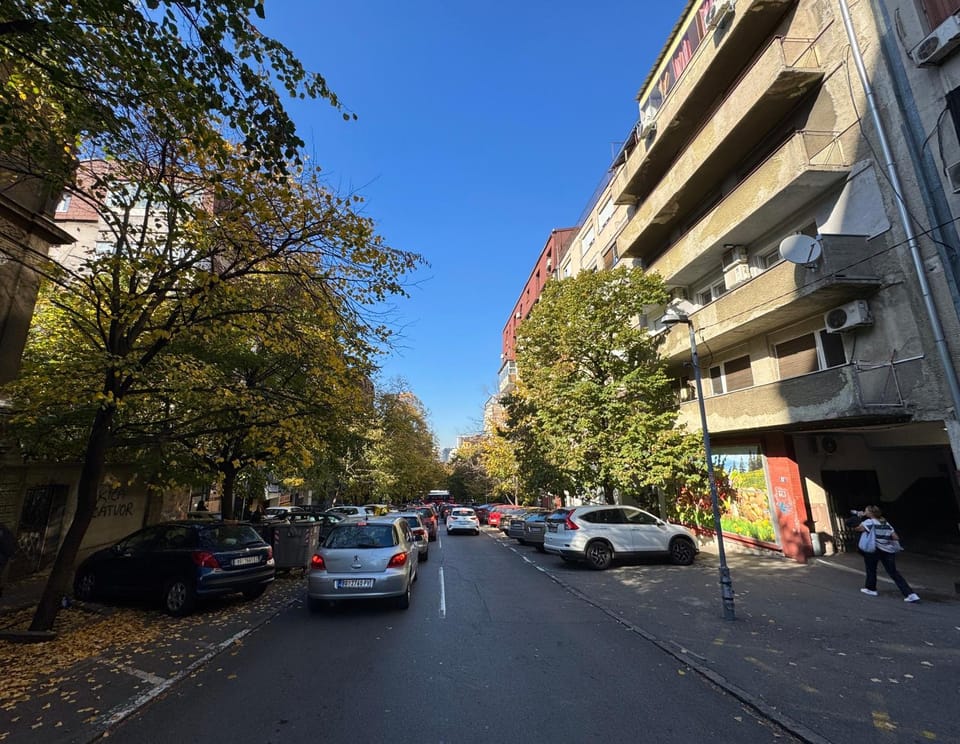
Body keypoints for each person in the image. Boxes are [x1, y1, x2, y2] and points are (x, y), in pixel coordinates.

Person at [855, 505, 919, 602]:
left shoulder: (870, 522)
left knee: (871, 569)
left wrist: (859, 517)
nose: (865, 512)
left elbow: (858, 529)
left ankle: (871, 589)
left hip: (875, 549)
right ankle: (910, 594)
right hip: (888, 550)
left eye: (866, 511)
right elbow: (895, 537)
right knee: (893, 572)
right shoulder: (885, 522)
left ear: (871, 513)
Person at [0, 522, 17, 598]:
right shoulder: (4, 530)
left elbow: (7, 545)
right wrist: (11, 555)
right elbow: (9, 546)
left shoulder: (3, 531)